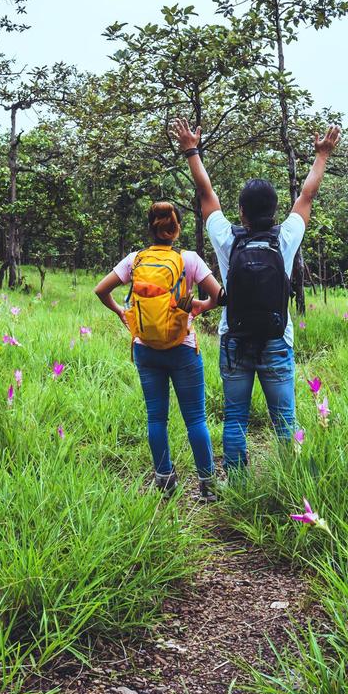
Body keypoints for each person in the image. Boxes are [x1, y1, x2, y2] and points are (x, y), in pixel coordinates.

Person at [171, 117, 340, 471]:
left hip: (233, 338)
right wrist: (322, 155)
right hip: (278, 340)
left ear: (242, 212)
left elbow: (206, 195)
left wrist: (191, 150)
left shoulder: (227, 237)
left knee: (234, 418)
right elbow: (307, 195)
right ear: (276, 211)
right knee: (285, 420)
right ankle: (289, 480)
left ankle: (236, 480)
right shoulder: (287, 236)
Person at [93, 201, 223, 499]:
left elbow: (101, 290)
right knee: (196, 419)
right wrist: (198, 308)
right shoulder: (188, 259)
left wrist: (122, 313)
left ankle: (165, 481)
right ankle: (208, 486)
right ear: (176, 228)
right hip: (182, 347)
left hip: (145, 348)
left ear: (150, 227)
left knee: (156, 417)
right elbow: (216, 295)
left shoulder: (134, 259)